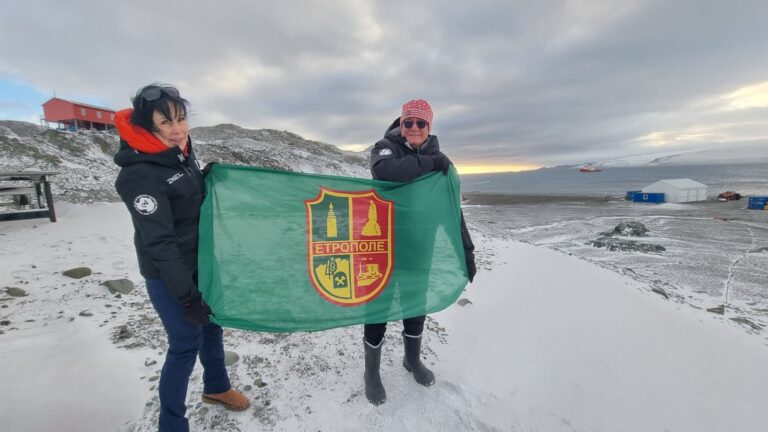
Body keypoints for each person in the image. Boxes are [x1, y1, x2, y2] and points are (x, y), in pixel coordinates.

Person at [114, 84, 250, 431]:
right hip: (168, 275)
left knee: (212, 326)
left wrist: (205, 177)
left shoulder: (180, 153)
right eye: (165, 122)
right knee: (185, 343)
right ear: (147, 126)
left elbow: (183, 197)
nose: (177, 129)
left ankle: (216, 387)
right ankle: (171, 424)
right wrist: (187, 296)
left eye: (181, 118)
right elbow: (159, 243)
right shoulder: (138, 175)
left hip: (200, 262)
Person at [364, 98, 477, 405]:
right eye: (409, 122)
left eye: (421, 122)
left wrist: (466, 253)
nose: (414, 127)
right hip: (384, 248)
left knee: (415, 305)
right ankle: (371, 373)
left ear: (429, 126)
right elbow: (386, 173)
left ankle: (412, 360)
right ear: (401, 124)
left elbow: (451, 212)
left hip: (419, 248)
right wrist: (430, 162)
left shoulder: (441, 163)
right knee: (377, 308)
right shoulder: (385, 148)